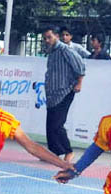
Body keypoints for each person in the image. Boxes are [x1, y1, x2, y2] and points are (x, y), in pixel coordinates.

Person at [42, 25, 86, 163]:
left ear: (57, 36)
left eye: (49, 37)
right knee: (50, 125)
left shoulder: (65, 50)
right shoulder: (51, 52)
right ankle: (54, 152)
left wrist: (79, 83)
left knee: (57, 124)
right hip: (52, 93)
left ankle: (68, 151)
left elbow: (80, 65)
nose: (47, 40)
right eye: (45, 38)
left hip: (65, 91)